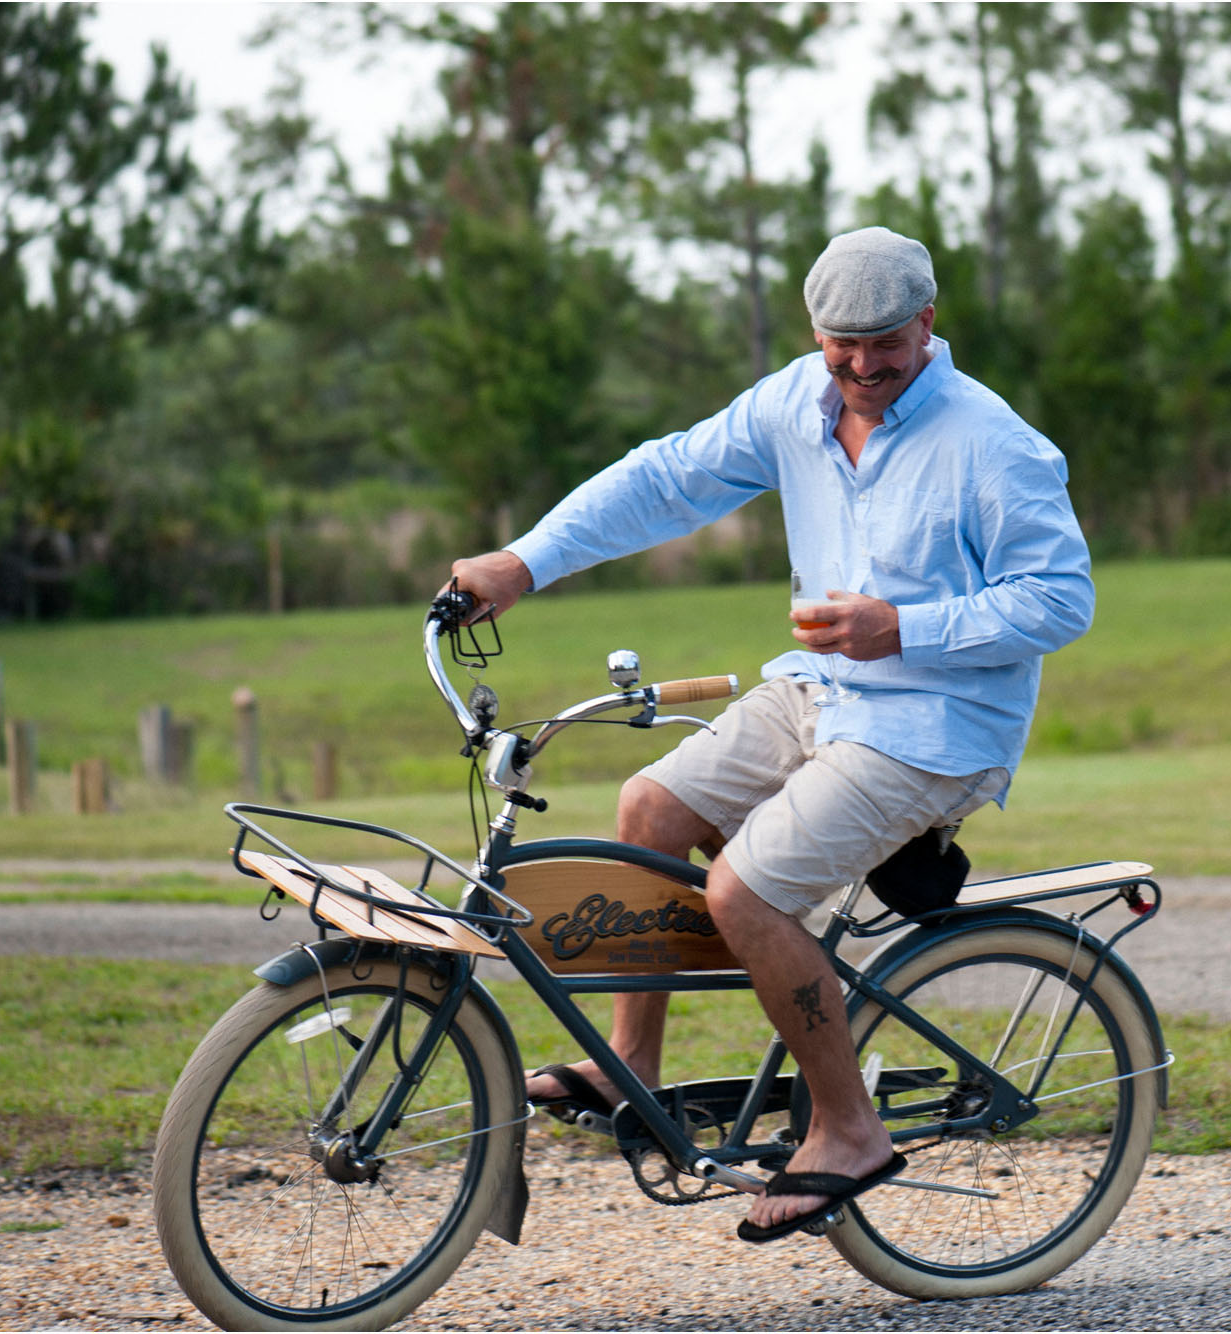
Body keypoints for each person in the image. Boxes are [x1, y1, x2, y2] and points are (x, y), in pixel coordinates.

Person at [445, 225, 1093, 1243]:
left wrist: (905, 626)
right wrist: (525, 563)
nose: (863, 365)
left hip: (936, 724)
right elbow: (664, 478)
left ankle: (846, 1127)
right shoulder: (796, 401)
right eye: (843, 344)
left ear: (927, 322)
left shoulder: (990, 442)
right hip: (818, 690)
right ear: (815, 333)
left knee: (741, 888)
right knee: (647, 808)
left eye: (885, 341)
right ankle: (632, 1067)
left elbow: (1060, 599)